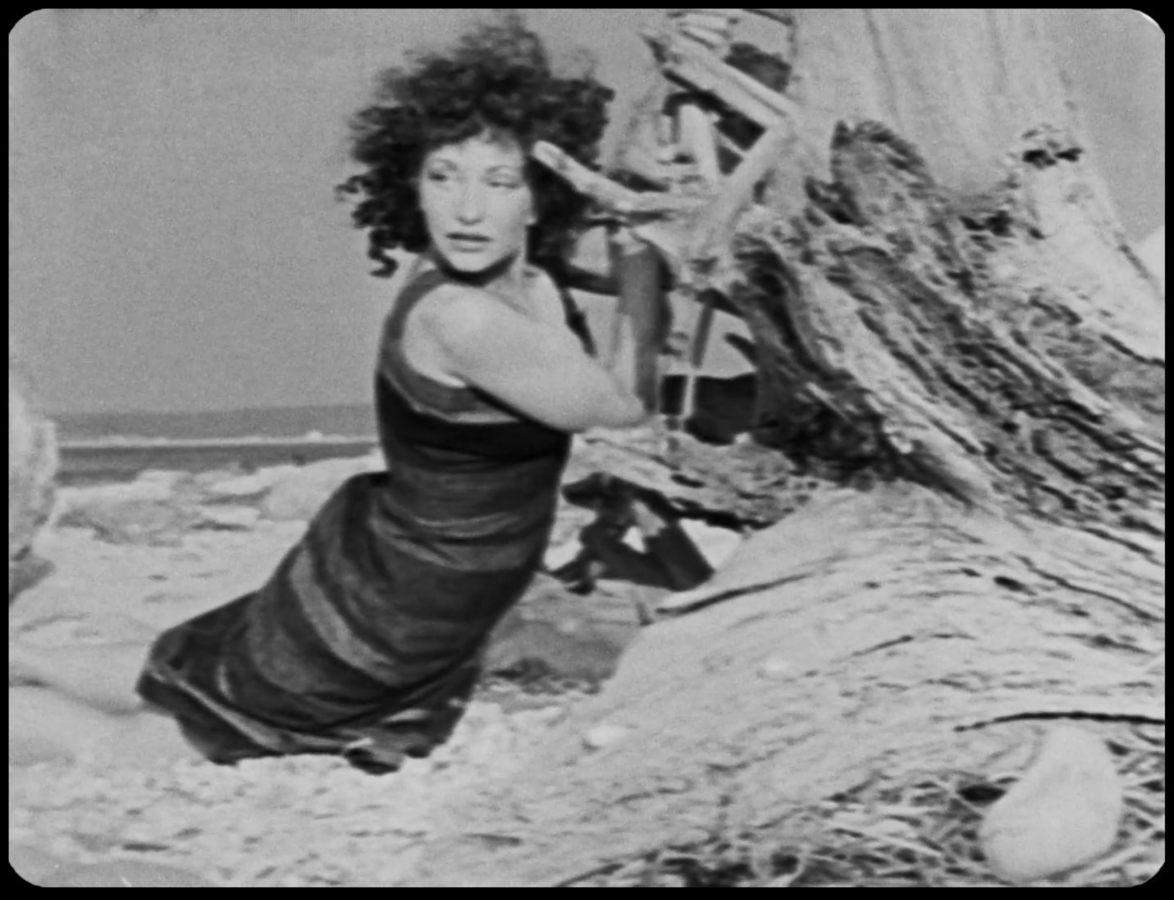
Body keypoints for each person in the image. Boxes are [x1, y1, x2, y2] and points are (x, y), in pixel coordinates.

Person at [8, 15, 673, 774]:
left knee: (199, 665)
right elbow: (624, 408)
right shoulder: (460, 314)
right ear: (410, 184)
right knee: (151, 744)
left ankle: (27, 654)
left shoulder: (507, 282)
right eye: (442, 176)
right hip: (396, 609)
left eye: (498, 181)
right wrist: (642, 278)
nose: (465, 209)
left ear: (539, 194)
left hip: (386, 567)